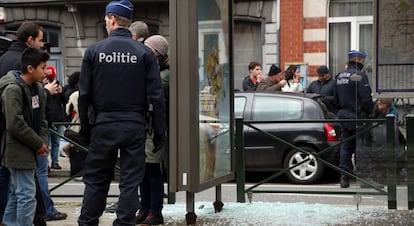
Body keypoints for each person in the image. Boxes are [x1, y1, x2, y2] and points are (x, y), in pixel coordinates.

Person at [77, 1, 166, 225]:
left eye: (106, 20)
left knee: (96, 180)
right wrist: (158, 132)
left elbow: (84, 95)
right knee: (130, 182)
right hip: (134, 125)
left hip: (103, 124)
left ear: (112, 19)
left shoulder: (94, 51)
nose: (106, 23)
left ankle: (88, 222)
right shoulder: (144, 53)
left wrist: (86, 129)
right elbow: (157, 97)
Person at [0, 21, 58, 224]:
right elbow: (15, 122)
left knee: (17, 194)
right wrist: (39, 142)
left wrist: (41, 142)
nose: (45, 73)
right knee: (25, 195)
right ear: (30, 68)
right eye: (42, 68)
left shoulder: (34, 87)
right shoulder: (14, 88)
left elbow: (40, 118)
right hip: (18, 146)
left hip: (26, 145)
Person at [134, 34, 169, 225]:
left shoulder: (163, 76)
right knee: (143, 170)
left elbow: (149, 95)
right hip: (146, 126)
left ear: (155, 53)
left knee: (153, 170)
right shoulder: (153, 70)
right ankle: (144, 207)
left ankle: (155, 211)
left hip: (154, 128)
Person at [335, 50, 374, 188]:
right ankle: (365, 179)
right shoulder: (359, 76)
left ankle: (344, 177)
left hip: (343, 115)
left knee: (346, 147)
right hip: (357, 116)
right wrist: (371, 111)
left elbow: (335, 98)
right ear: (360, 60)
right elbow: (366, 98)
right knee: (361, 147)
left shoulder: (340, 76)